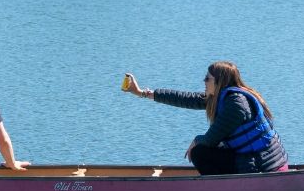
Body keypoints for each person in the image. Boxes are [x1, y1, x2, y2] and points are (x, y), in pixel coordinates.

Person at [123, 64, 288, 174]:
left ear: (220, 81)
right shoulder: (223, 97)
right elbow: (186, 98)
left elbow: (211, 139)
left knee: (199, 152)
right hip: (257, 160)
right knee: (205, 149)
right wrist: (142, 93)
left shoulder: (236, 105)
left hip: (263, 166)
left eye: (207, 78)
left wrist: (196, 140)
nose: (204, 81)